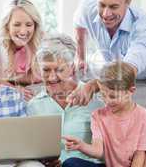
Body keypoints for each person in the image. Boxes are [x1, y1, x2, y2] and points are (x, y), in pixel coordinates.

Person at [70, 0, 146, 105]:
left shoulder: (145, 26)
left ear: (127, 2)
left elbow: (127, 70)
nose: (106, 14)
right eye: (102, 5)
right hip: (115, 75)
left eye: (113, 7)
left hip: (145, 76)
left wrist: (92, 85)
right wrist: (80, 55)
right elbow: (79, 23)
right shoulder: (87, 9)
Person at [27, 35, 104, 166]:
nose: (51, 77)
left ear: (72, 68)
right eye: (46, 70)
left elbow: (112, 150)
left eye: (59, 70)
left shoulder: (96, 101)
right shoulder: (33, 106)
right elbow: (30, 149)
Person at [63, 61, 146, 167]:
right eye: (103, 95)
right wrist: (81, 146)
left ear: (131, 91)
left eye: (113, 96)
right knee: (70, 163)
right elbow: (98, 151)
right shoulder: (97, 116)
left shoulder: (143, 115)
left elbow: (140, 155)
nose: (107, 101)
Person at [0, 0, 44, 100]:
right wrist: (13, 88)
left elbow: (44, 76)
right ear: (7, 25)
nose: (23, 31)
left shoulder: (41, 40)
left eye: (29, 25)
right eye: (17, 25)